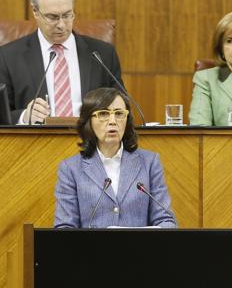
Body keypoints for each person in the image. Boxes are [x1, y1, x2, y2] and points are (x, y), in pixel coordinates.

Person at [0, 0, 125, 124]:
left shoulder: (102, 55)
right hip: (34, 144)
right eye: (53, 17)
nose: (61, 25)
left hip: (90, 142)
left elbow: (123, 107)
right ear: (35, 11)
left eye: (67, 15)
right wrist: (24, 117)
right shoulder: (9, 57)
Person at [54, 87, 177, 228]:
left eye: (119, 114)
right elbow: (64, 228)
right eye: (104, 114)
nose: (113, 121)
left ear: (127, 119)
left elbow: (166, 220)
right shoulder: (71, 169)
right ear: (89, 121)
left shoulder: (149, 163)